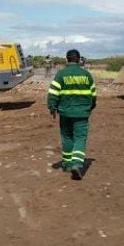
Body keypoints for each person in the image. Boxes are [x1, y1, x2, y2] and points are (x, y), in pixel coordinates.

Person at [47, 49, 97, 179]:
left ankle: (67, 164)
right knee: (80, 138)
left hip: (65, 113)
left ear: (66, 60)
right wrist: (89, 108)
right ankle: (76, 163)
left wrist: (52, 108)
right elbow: (93, 95)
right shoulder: (87, 75)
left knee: (67, 137)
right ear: (79, 60)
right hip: (82, 114)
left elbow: (53, 94)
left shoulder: (61, 74)